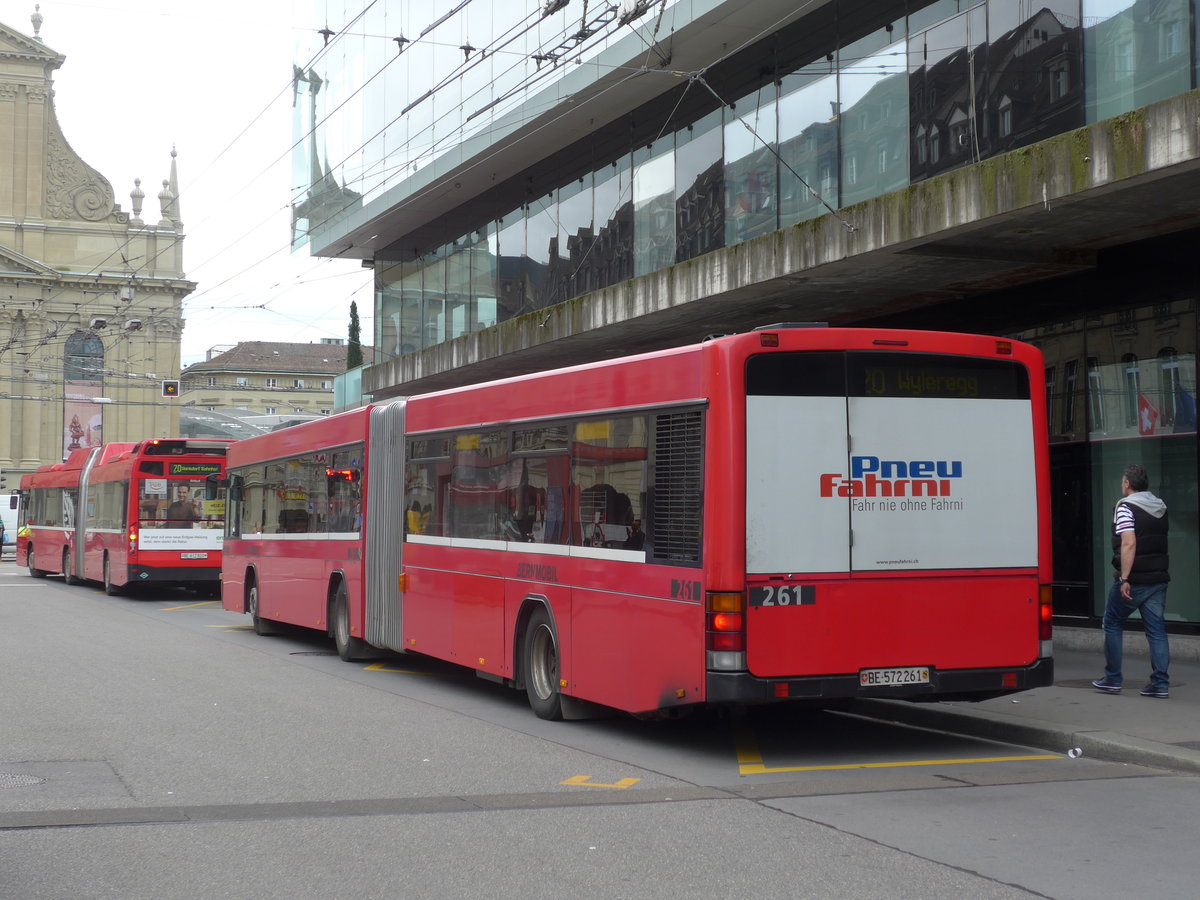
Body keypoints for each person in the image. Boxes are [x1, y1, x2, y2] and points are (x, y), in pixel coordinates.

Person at [1093, 464, 1170, 699]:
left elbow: (1129, 542)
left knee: (1113, 622)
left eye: (1122, 481)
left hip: (1134, 578)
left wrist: (1125, 578)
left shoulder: (1125, 507)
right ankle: (1160, 684)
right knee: (1156, 631)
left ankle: (1113, 678)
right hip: (1158, 577)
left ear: (1127, 483)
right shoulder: (1160, 506)